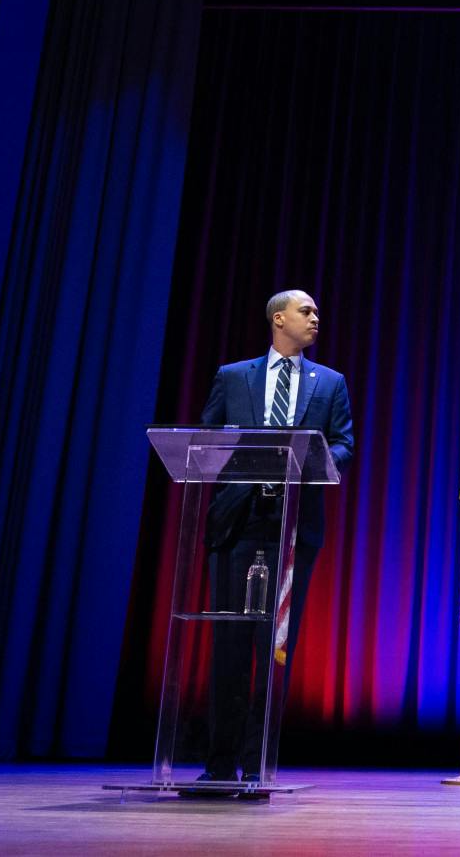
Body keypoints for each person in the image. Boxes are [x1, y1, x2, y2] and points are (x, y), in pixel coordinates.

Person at [197, 288, 355, 786]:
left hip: (292, 526)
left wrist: (313, 464)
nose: (315, 319)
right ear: (278, 318)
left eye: (316, 312)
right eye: (306, 311)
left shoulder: (329, 383)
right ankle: (219, 766)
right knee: (230, 643)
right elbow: (206, 437)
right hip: (238, 522)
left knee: (275, 645)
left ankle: (257, 765)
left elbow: (344, 442)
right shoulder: (232, 376)